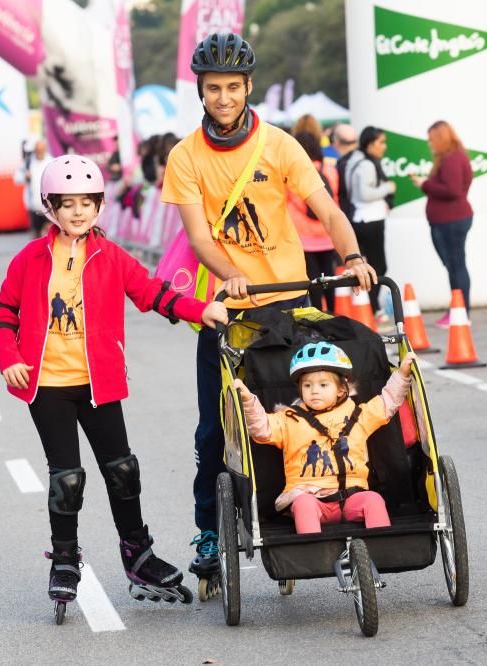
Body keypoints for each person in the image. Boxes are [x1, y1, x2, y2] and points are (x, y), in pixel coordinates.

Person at [158, 32, 376, 588]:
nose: (224, 98)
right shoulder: (185, 157)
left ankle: (290, 523)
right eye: (214, 89)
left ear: (249, 87)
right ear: (201, 92)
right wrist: (228, 275)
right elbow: (200, 236)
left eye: (233, 87)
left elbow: (326, 208)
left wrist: (351, 254)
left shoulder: (279, 145)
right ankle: (208, 531)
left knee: (299, 421)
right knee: (213, 432)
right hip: (231, 313)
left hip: (290, 306)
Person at [0, 154, 229, 607]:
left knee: (122, 472)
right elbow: (5, 315)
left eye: (87, 202)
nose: (78, 211)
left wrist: (202, 310)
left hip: (97, 383)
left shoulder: (111, 256)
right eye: (67, 203)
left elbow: (153, 293)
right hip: (48, 387)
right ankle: (64, 561)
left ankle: (138, 555)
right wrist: (9, 359)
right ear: (50, 207)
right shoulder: (29, 259)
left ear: (100, 206)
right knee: (67, 479)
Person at [231, 343, 413, 533]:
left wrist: (402, 374)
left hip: (352, 496)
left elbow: (387, 402)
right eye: (307, 385)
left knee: (374, 500)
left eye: (323, 385)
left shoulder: (358, 415)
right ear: (300, 390)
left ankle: (382, 548)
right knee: (304, 505)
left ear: (341, 390)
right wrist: (247, 400)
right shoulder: (289, 418)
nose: (314, 391)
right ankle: (314, 554)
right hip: (310, 498)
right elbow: (262, 428)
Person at [411, 120, 474, 328]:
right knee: (455, 266)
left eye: (431, 140)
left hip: (451, 221)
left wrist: (425, 184)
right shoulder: (453, 157)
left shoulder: (452, 159)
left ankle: (460, 311)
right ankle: (458, 309)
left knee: (456, 266)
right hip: (449, 220)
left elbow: (452, 190)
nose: (430, 144)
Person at [288, 131, 339, 310]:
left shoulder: (293, 173)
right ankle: (332, 311)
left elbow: (290, 200)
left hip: (304, 235)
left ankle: (318, 312)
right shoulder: (331, 171)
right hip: (328, 232)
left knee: (313, 277)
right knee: (330, 275)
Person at [349, 126, 396, 319]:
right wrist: (387, 187)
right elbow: (364, 193)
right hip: (369, 220)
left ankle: (371, 307)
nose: (384, 147)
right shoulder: (366, 164)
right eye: (380, 142)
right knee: (377, 266)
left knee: (372, 265)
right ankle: (373, 308)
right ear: (370, 144)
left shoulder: (357, 161)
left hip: (365, 219)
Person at [17, 139, 54, 238]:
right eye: (38, 150)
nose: (39, 152)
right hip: (33, 205)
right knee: (36, 234)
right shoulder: (28, 162)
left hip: (49, 205)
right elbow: (17, 178)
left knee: (51, 232)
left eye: (42, 149)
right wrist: (25, 176)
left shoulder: (51, 162)